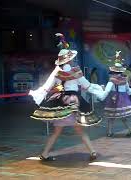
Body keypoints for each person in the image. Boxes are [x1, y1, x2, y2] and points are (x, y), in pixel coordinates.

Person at [29, 33, 103, 161]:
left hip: (62, 102)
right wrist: (99, 89)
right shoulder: (76, 71)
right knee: (80, 130)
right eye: (72, 59)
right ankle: (93, 152)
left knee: (57, 131)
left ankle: (45, 154)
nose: (73, 60)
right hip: (76, 102)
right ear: (69, 59)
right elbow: (87, 86)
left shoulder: (57, 72)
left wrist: (41, 93)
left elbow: (48, 87)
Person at [99, 51, 131, 137]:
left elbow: (107, 90)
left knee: (111, 117)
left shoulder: (111, 81)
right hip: (123, 100)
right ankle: (130, 130)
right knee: (123, 117)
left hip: (113, 99)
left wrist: (101, 90)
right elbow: (128, 90)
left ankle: (109, 132)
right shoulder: (124, 80)